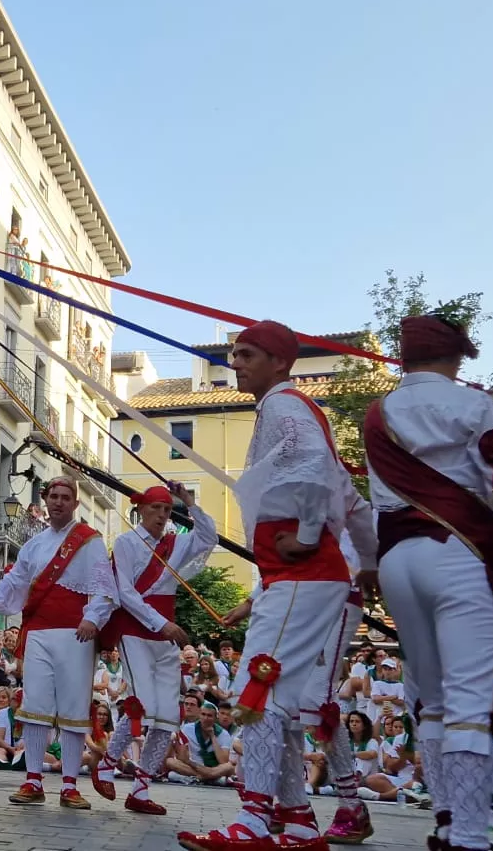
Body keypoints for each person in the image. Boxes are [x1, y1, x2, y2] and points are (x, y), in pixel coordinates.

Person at [357, 314, 493, 851]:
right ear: (455, 357)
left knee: (430, 699)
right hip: (461, 554)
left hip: (399, 558)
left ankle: (447, 819)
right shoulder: (474, 405)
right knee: (471, 698)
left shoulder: (376, 413)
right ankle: (470, 835)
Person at [180, 321, 363, 851]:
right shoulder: (284, 408)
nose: (235, 363)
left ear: (280, 362)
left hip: (302, 574)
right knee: (277, 700)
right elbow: (346, 493)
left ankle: (255, 821)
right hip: (299, 577)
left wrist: (306, 535)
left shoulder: (285, 406)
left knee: (256, 692)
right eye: (234, 354)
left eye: (247, 354)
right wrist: (364, 560)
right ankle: (298, 819)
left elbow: (313, 467)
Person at [0, 477, 116, 809]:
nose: (59, 502)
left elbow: (104, 584)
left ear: (76, 503)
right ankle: (33, 780)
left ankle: (71, 785)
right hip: (38, 635)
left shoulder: (90, 542)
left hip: (77, 634)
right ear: (46, 502)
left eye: (66, 497)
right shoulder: (34, 545)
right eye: (54, 497)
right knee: (34, 708)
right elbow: (15, 581)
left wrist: (93, 618)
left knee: (74, 711)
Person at [104, 482, 210, 815]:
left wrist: (190, 502)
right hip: (137, 628)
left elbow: (208, 538)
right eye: (156, 509)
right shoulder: (125, 542)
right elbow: (126, 592)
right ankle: (106, 764)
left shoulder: (175, 543)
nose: (162, 516)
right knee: (144, 704)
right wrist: (160, 623)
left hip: (166, 634)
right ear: (141, 509)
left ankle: (141, 788)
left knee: (167, 717)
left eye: (167, 510)